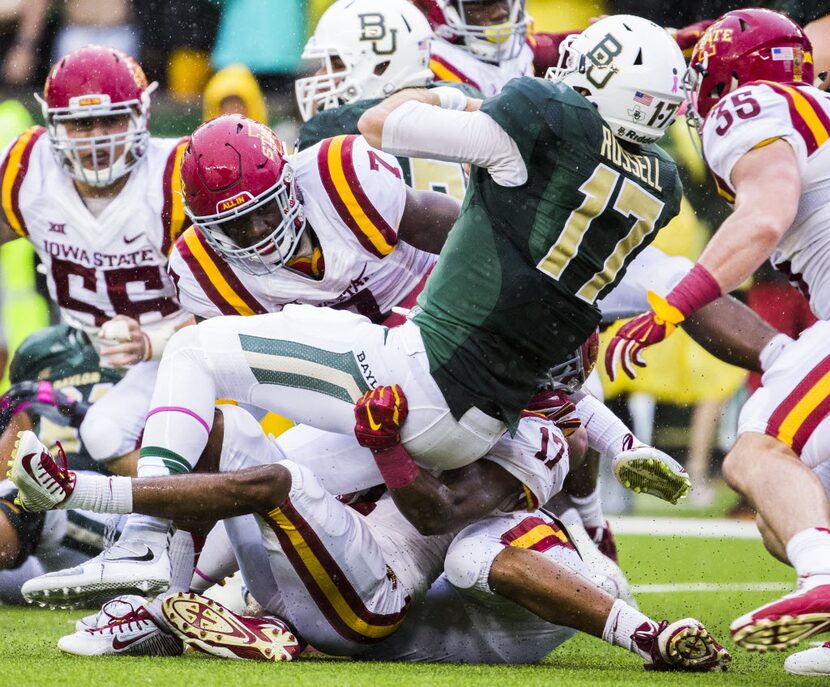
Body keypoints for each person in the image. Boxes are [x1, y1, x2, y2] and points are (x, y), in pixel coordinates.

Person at [8, 391, 730, 671]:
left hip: (375, 602)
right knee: (236, 432)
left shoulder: (536, 442)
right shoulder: (438, 378)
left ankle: (87, 494)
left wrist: (388, 446)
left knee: (284, 483)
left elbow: (438, 515)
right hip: (344, 571)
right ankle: (172, 598)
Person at [603, 8, 830, 670]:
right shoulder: (810, 107)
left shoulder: (752, 108)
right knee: (780, 513)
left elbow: (764, 216)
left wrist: (676, 305)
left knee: (758, 448)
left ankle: (823, 581)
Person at [0, 44, 195, 595]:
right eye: (80, 123)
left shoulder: (176, 176)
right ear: (54, 124)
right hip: (80, 346)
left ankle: (172, 543)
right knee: (34, 365)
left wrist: (154, 342)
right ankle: (56, 535)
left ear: (141, 116)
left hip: (179, 352)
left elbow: (241, 300)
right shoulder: (26, 171)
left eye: (110, 117)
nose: (97, 136)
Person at [0, 325, 122, 603]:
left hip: (121, 521)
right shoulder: (41, 352)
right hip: (56, 549)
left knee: (34, 496)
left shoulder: (156, 356)